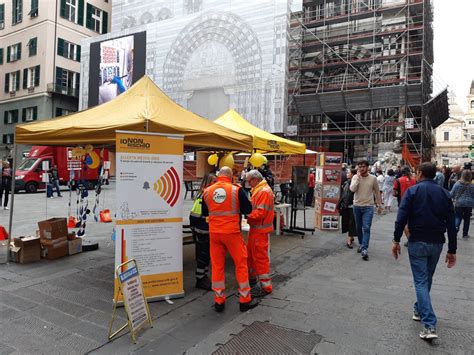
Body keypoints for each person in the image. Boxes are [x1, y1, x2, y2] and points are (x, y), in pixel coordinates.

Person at [392, 162, 456, 340]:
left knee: (421, 281)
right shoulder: (444, 193)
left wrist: (396, 240)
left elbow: (401, 218)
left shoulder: (413, 191)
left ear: (419, 173)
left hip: (418, 240)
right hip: (437, 242)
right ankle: (419, 309)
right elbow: (451, 224)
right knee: (426, 278)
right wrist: (452, 249)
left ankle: (429, 324)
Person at [202, 166, 258, 312]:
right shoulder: (235, 190)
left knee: (217, 266)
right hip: (231, 233)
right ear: (230, 176)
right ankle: (245, 299)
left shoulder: (207, 191)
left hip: (214, 233)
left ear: (219, 175)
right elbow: (248, 210)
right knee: (240, 263)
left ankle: (219, 300)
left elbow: (204, 212)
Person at [245, 169, 274, 297]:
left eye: (249, 181)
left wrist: (247, 214)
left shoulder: (263, 192)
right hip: (256, 229)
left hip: (260, 230)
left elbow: (260, 213)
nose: (248, 183)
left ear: (255, 179)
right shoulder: (259, 190)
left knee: (260, 258)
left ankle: (265, 287)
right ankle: (253, 280)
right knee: (250, 256)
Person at [350, 160, 382, 260]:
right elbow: (352, 189)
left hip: (368, 206)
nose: (361, 169)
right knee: (358, 227)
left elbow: (377, 192)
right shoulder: (355, 177)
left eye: (363, 167)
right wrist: (357, 179)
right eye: (359, 167)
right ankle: (361, 243)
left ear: (368, 167)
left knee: (366, 227)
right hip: (357, 205)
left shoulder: (373, 178)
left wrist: (379, 205)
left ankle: (364, 248)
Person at [189, 173, 217, 290]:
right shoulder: (203, 196)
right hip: (202, 230)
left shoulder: (206, 194)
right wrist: (194, 228)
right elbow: (194, 215)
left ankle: (204, 277)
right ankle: (200, 279)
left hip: (206, 229)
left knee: (206, 256)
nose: (216, 184)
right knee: (203, 256)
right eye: (214, 182)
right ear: (208, 182)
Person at [450, 169, 474, 238]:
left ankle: (455, 230)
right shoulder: (472, 185)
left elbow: (451, 194)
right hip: (469, 204)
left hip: (459, 203)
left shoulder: (457, 184)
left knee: (457, 217)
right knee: (467, 219)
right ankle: (465, 234)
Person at [338, 168, 357, 248]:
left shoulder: (355, 183)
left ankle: (349, 240)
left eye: (348, 172)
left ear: (352, 174)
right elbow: (343, 194)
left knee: (351, 223)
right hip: (345, 206)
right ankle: (351, 237)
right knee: (347, 222)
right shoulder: (346, 182)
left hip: (352, 206)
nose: (346, 174)